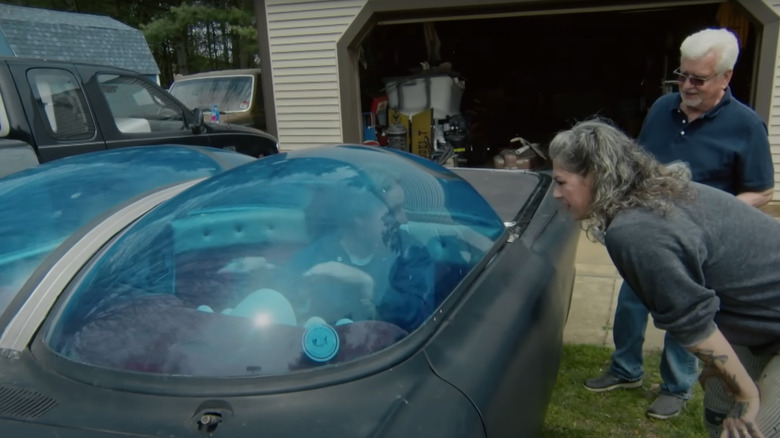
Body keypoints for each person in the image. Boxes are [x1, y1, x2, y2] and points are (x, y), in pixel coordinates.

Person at [584, 27, 775, 421]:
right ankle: (625, 368)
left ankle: (676, 386)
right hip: (648, 233)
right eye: (682, 75)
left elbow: (762, 191)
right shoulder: (662, 108)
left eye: (698, 79)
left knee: (686, 319)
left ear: (725, 77)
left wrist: (709, 223)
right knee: (631, 304)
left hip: (698, 247)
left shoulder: (746, 125)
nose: (686, 85)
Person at [550, 118, 779, 438]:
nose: (556, 194)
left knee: (755, 429)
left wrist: (747, 394)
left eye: (561, 181)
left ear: (594, 175)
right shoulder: (653, 193)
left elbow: (692, 324)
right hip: (761, 322)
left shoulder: (635, 230)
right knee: (719, 397)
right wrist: (724, 372)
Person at [286, 174, 436, 333]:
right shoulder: (314, 257)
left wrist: (367, 286)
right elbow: (286, 302)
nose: (404, 219)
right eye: (393, 212)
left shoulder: (411, 252)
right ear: (359, 217)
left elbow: (419, 321)